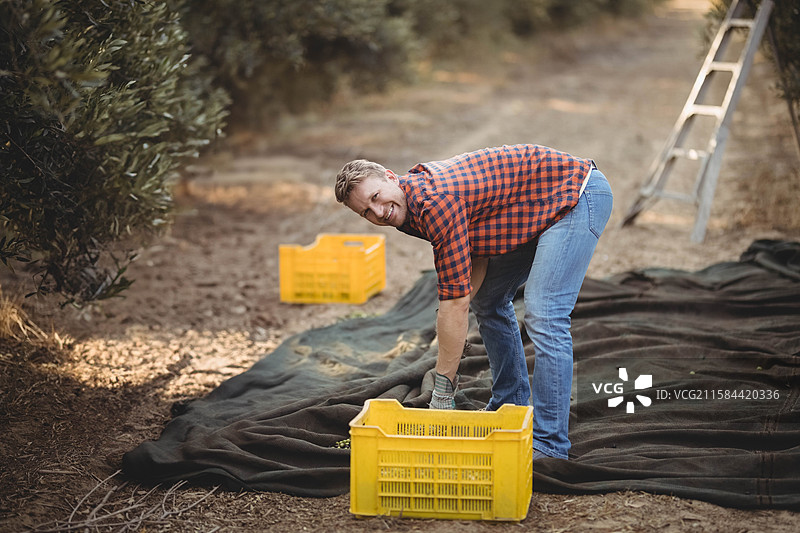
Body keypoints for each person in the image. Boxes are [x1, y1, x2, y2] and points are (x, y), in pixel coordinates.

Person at [334, 144, 613, 460]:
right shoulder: (405, 206)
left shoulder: (432, 202)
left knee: (544, 313)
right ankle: (511, 403)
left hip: (576, 196)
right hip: (533, 210)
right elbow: (472, 254)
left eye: (375, 198)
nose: (379, 212)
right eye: (366, 212)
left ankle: (549, 443)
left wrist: (442, 387)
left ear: (389, 177)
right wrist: (457, 309)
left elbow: (455, 304)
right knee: (488, 300)